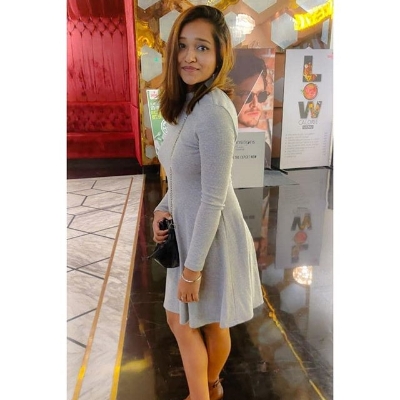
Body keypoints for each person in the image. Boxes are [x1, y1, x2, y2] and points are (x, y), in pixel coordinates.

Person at [152, 5, 264, 400]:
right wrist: (162, 207)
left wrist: (191, 271)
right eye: (183, 46)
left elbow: (214, 196)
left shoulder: (214, 111)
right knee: (198, 322)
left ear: (219, 55)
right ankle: (212, 387)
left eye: (202, 47)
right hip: (191, 231)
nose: (190, 56)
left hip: (211, 238)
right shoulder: (185, 103)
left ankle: (201, 395)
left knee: (189, 322)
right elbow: (185, 176)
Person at [229, 51, 273, 168]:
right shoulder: (217, 144)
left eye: (261, 95)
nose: (255, 104)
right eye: (247, 95)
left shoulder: (263, 149)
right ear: (230, 95)